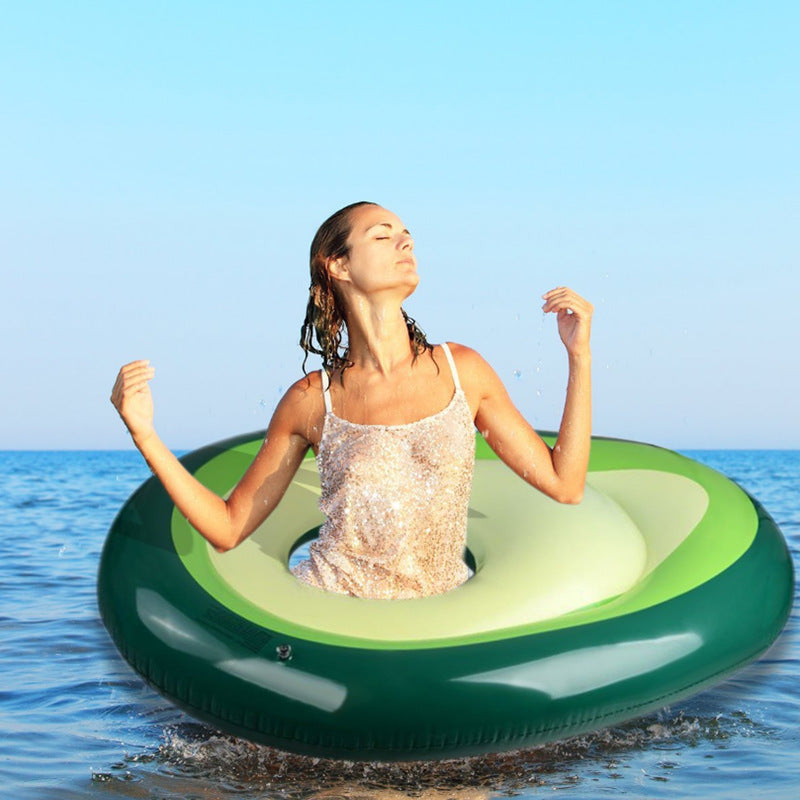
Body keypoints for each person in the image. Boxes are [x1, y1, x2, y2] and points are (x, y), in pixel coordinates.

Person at [111, 201, 593, 600]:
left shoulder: (462, 370)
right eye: (383, 236)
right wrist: (145, 434)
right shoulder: (311, 401)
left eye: (407, 235)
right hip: (334, 613)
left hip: (443, 615)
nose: (406, 243)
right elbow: (229, 527)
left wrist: (579, 355)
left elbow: (565, 484)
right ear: (338, 265)